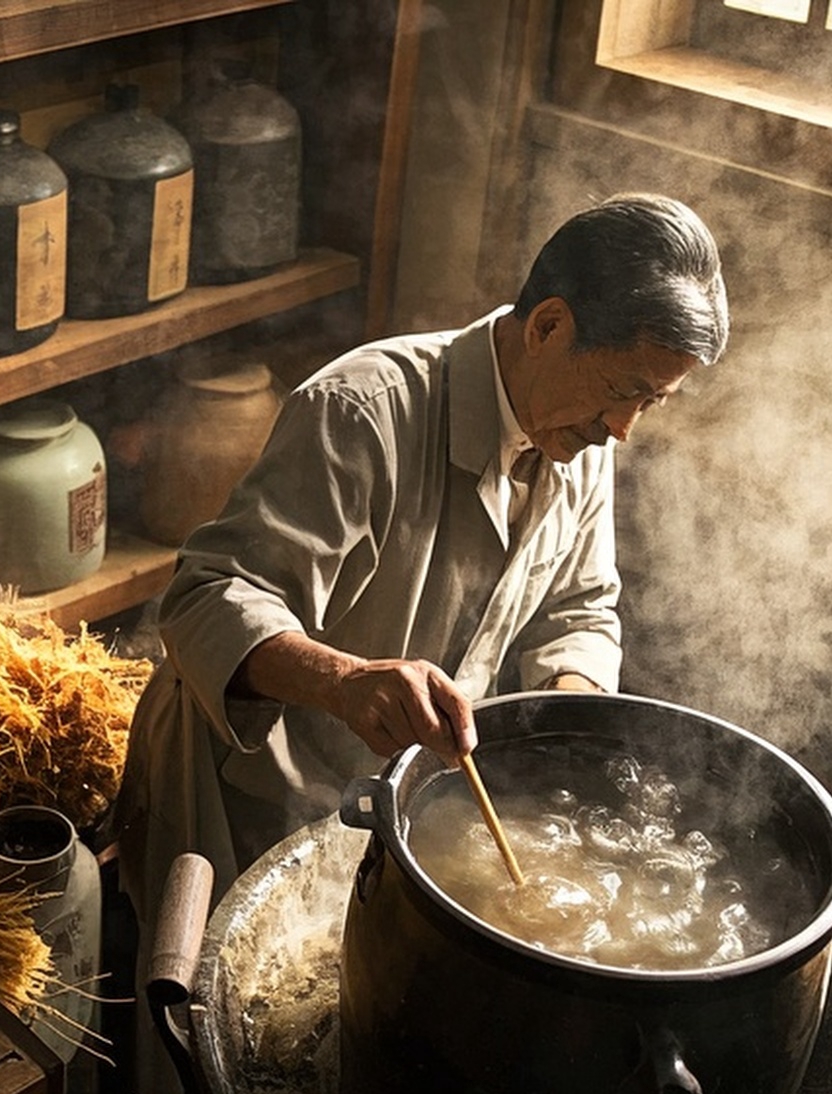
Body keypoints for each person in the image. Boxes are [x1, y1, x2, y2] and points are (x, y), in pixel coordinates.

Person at [114, 193, 730, 918]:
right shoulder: (363, 413)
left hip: (389, 803)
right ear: (549, 326)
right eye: (624, 390)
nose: (625, 429)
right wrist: (346, 681)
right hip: (247, 790)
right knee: (193, 998)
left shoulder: (578, 430)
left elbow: (578, 607)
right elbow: (205, 596)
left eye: (652, 401)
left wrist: (565, 726)